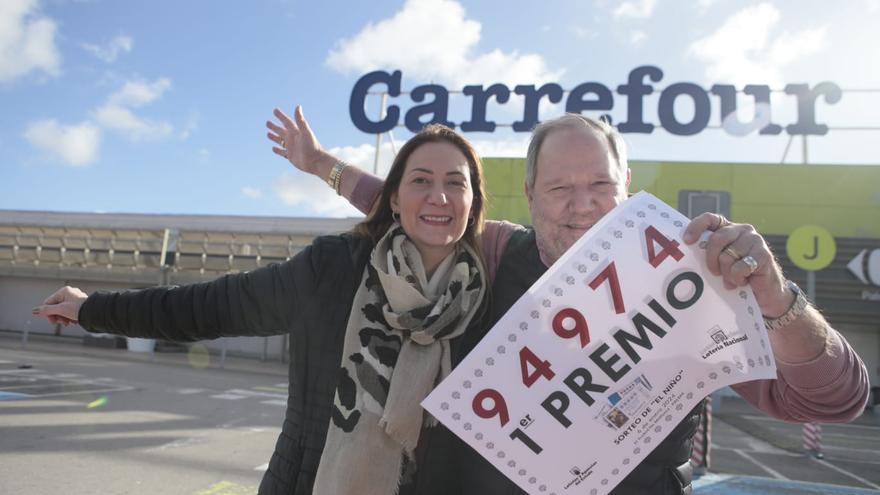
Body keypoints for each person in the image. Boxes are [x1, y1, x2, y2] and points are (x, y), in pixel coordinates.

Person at [268, 107, 869, 494]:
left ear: (627, 186)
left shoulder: (699, 282)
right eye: (559, 188)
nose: (581, 205)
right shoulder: (497, 252)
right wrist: (322, 166)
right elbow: (416, 205)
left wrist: (776, 297)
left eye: (600, 185)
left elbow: (834, 399)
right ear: (530, 194)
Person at [33, 124, 498, 495]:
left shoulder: (493, 294)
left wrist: (322, 164)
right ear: (394, 199)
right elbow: (209, 306)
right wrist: (93, 309)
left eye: (455, 183)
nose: (438, 196)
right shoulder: (332, 268)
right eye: (420, 180)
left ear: (473, 201)